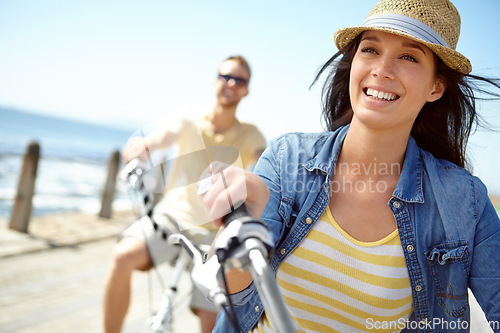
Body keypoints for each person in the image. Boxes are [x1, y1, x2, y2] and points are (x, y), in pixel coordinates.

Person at [200, 0, 500, 332]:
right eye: (370, 50)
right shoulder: (287, 159)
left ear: (436, 87)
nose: (382, 69)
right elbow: (230, 293)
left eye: (409, 57)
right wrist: (246, 223)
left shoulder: (465, 202)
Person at [103, 55, 267, 333]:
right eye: (225, 76)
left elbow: (264, 164)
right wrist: (143, 145)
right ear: (216, 80)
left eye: (238, 80)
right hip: (171, 218)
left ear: (246, 90)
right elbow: (161, 137)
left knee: (211, 320)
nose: (230, 83)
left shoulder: (251, 135)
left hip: (214, 234)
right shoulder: (189, 120)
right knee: (121, 257)